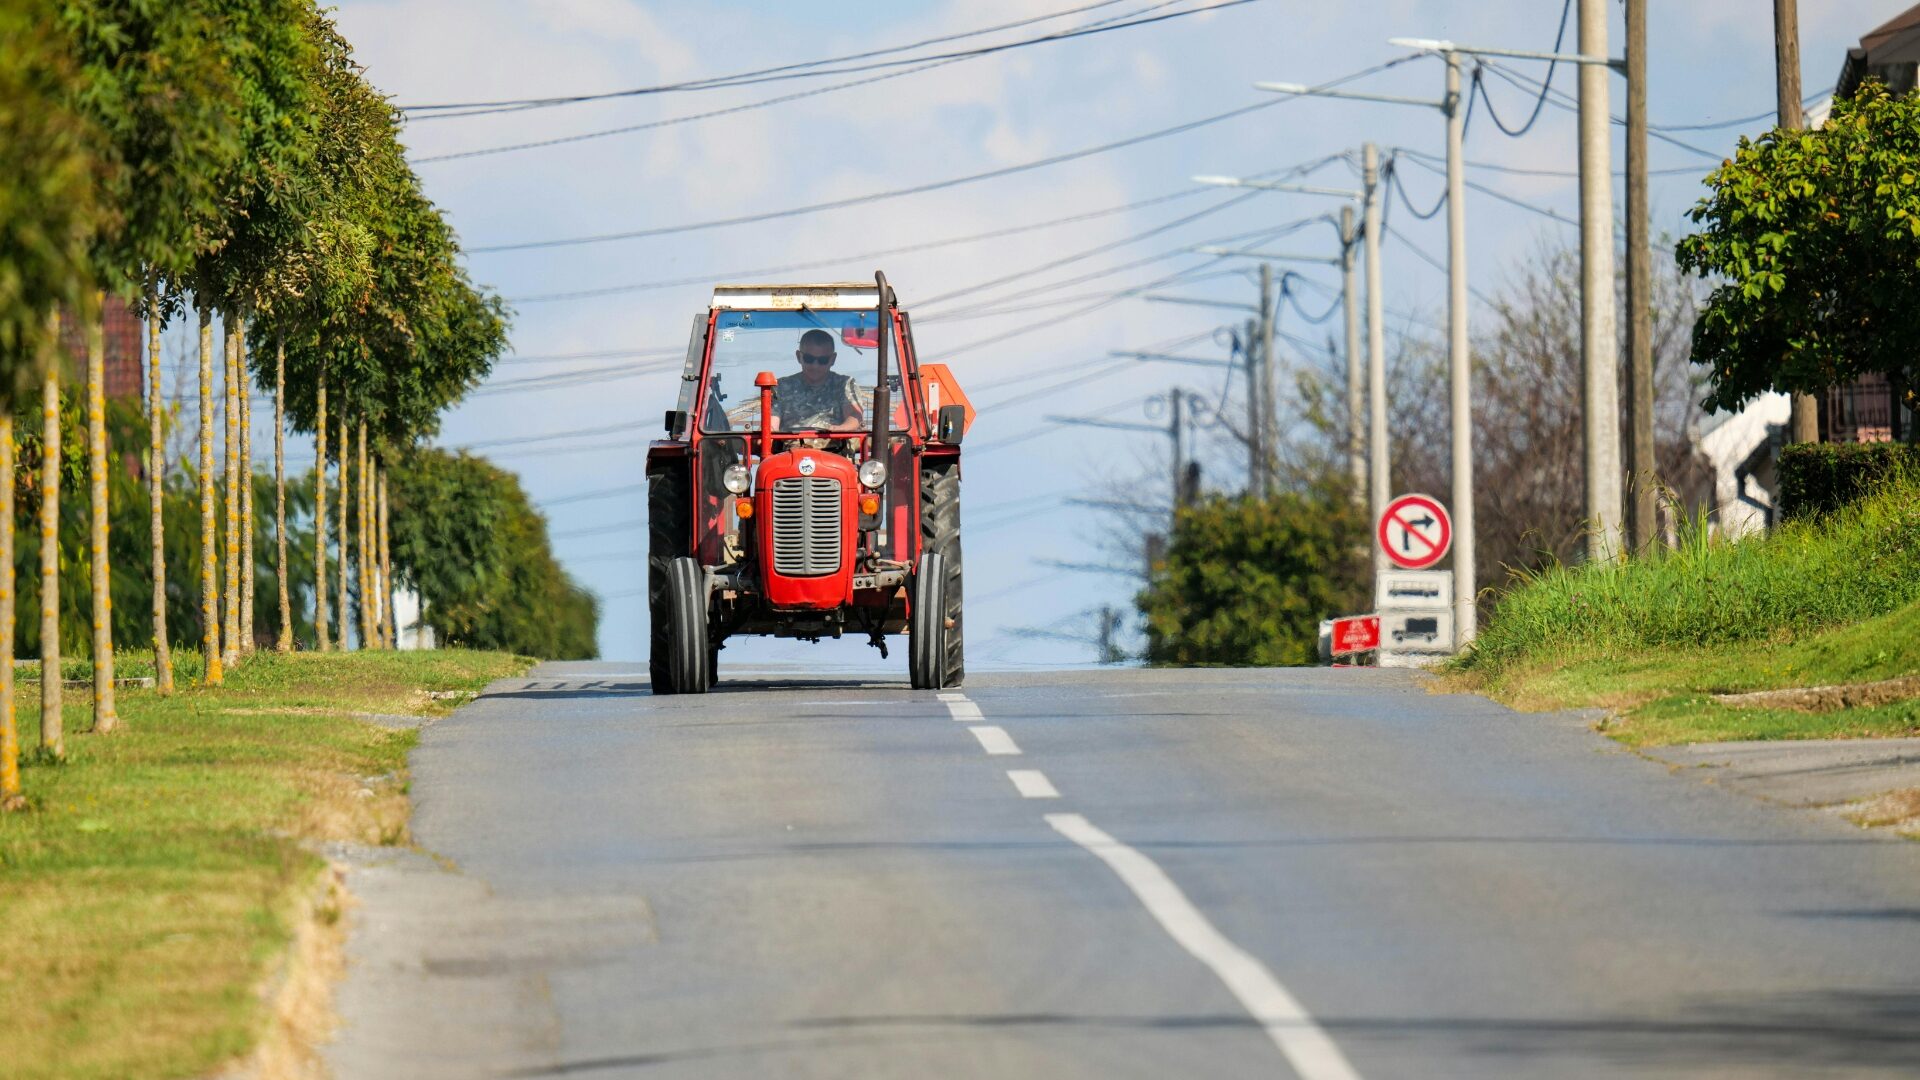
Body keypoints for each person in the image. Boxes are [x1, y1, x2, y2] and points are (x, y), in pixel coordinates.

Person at [771, 329, 865, 432]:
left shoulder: (844, 384)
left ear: (833, 359)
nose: (815, 366)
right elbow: (771, 424)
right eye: (809, 359)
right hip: (791, 442)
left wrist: (839, 429)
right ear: (799, 356)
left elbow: (854, 414)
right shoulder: (781, 387)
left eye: (822, 360)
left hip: (834, 441)